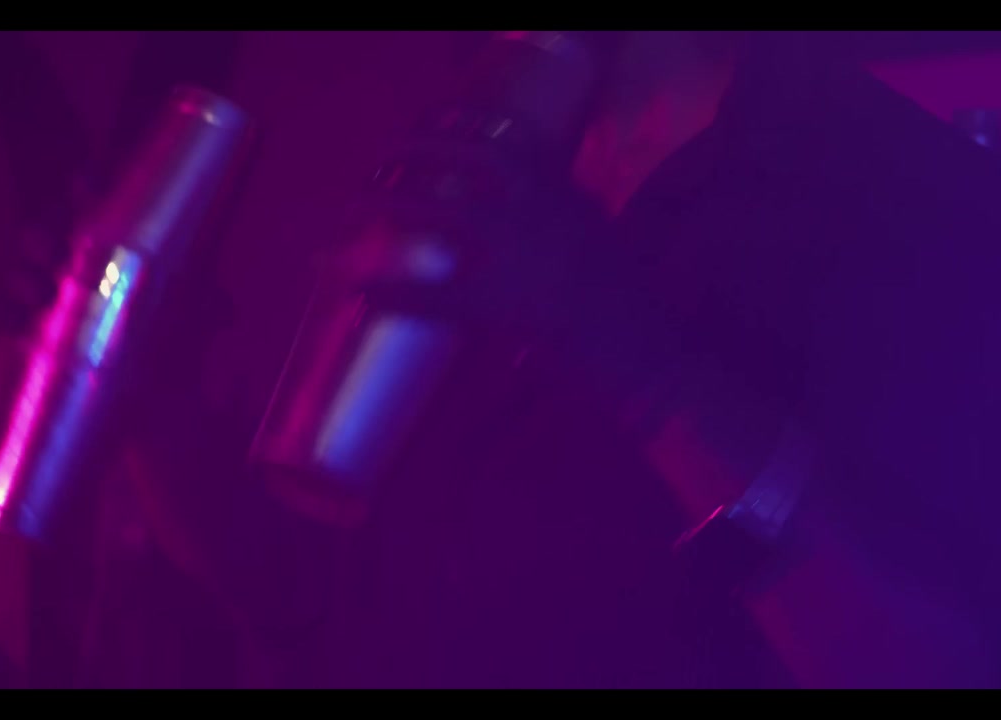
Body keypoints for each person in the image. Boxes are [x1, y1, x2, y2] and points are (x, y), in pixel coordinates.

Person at [120, 31, 1001, 687]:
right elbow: (316, 607)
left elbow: (940, 661)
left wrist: (637, 357)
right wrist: (137, 388)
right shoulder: (480, 148)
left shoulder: (904, 200)